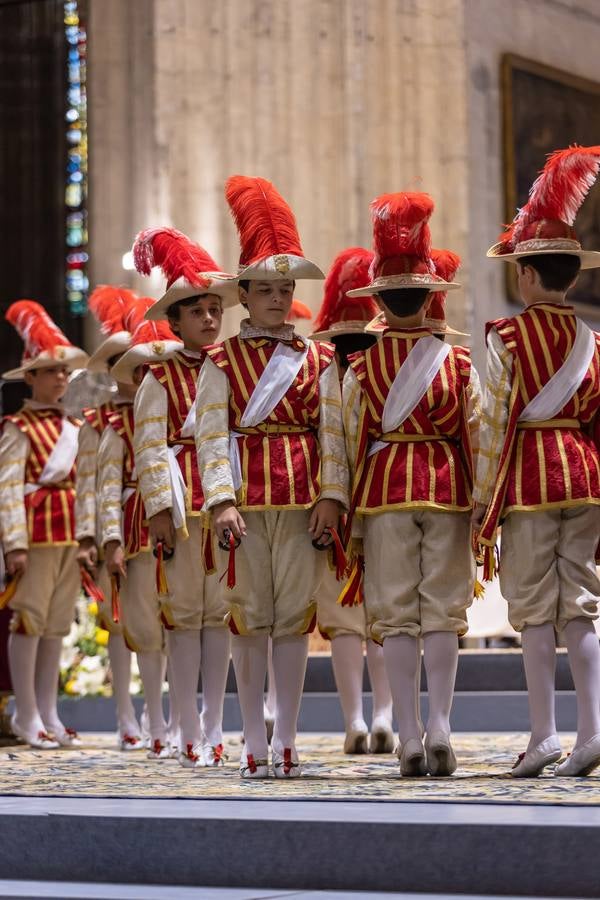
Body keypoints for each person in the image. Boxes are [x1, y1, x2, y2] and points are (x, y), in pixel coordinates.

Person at [196, 175, 349, 779]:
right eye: (266, 290)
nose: (279, 300)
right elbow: (210, 434)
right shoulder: (220, 361)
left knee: (293, 620)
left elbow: (331, 433)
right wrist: (220, 501)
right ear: (245, 293)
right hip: (244, 504)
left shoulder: (318, 359)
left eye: (286, 290)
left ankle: (287, 736)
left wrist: (333, 496)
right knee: (247, 616)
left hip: (303, 500)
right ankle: (252, 737)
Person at [342, 192, 480, 777]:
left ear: (380, 301)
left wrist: (344, 511)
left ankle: (408, 734)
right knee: (444, 612)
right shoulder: (460, 365)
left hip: (383, 494)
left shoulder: (359, 368)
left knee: (395, 616)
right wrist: (481, 508)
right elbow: (477, 436)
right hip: (448, 490)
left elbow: (346, 443)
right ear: (431, 299)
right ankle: (443, 724)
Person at [473, 145, 600, 777]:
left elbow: (493, 422)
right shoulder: (592, 342)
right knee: (580, 604)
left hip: (527, 475)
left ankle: (545, 732)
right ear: (572, 277)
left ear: (525, 274)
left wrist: (480, 502)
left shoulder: (505, 337)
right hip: (583, 472)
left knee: (531, 610)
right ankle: (593, 729)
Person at [131, 227, 237, 768]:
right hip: (180, 502)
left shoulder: (233, 368)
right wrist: (160, 514)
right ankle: (187, 725)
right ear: (175, 320)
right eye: (198, 311)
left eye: (216, 309)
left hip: (223, 500)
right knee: (183, 615)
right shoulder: (158, 377)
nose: (210, 320)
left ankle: (217, 721)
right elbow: (149, 449)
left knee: (219, 614)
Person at [310, 247, 394, 754]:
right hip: (384, 493)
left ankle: (355, 721)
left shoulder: (322, 372)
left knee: (342, 617)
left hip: (331, 500)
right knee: (383, 611)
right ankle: (384, 713)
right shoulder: (388, 367)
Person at [0, 300, 88, 748]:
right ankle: (25, 712)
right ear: (30, 377)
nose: (60, 379)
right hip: (35, 535)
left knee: (56, 624)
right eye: (50, 371)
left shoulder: (75, 425)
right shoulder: (17, 428)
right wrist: (13, 544)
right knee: (29, 621)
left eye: (64, 372)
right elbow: (8, 488)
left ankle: (50, 711)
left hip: (70, 532)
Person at [99, 296, 183, 759]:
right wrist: (110, 540)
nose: (153, 378)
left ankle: (178, 720)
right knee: (147, 629)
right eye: (145, 371)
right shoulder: (116, 425)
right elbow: (109, 486)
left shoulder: (186, 417)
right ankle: (152, 717)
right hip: (136, 532)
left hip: (184, 525)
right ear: (134, 377)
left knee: (180, 627)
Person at [75, 284, 145, 750]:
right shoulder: (97, 422)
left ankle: (164, 716)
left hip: (157, 525)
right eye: (128, 367)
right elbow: (86, 483)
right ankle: (124, 714)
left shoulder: (163, 412)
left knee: (162, 620)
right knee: (119, 625)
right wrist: (88, 536)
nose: (136, 376)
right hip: (114, 528)